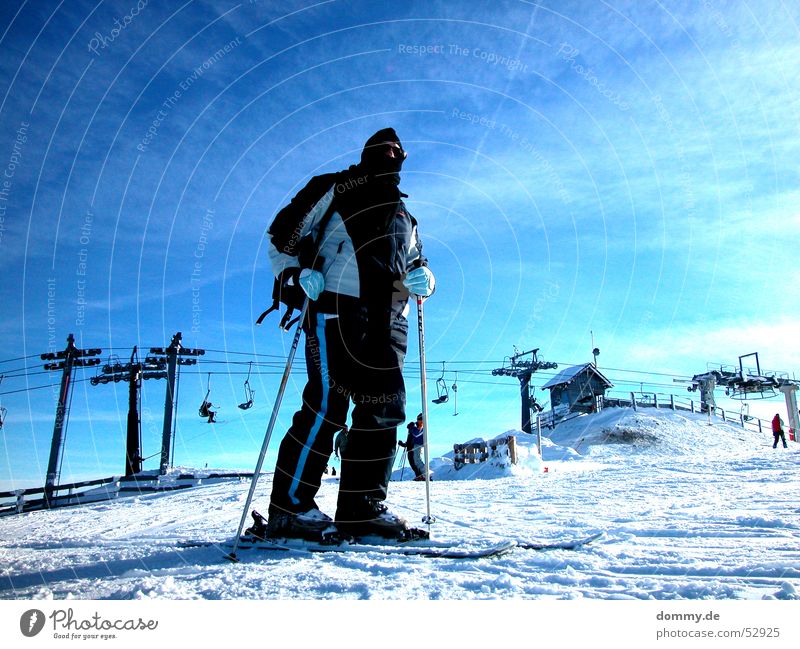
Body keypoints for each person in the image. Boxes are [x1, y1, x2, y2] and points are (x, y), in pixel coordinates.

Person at [261, 128, 436, 541]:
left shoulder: (404, 216)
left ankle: (361, 509)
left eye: (399, 150)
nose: (392, 154)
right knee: (327, 406)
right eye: (385, 147)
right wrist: (293, 276)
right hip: (336, 308)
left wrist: (425, 278)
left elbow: (415, 260)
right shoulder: (336, 187)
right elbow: (282, 233)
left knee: (384, 411)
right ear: (368, 151)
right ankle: (290, 507)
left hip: (389, 319)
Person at [398, 413, 426, 481]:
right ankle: (420, 476)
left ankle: (424, 475)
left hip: (416, 445)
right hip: (411, 446)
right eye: (419, 419)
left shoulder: (420, 427)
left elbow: (416, 434)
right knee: (413, 463)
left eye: (421, 419)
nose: (420, 421)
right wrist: (404, 444)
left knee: (416, 461)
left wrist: (411, 428)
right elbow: (411, 438)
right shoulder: (415, 426)